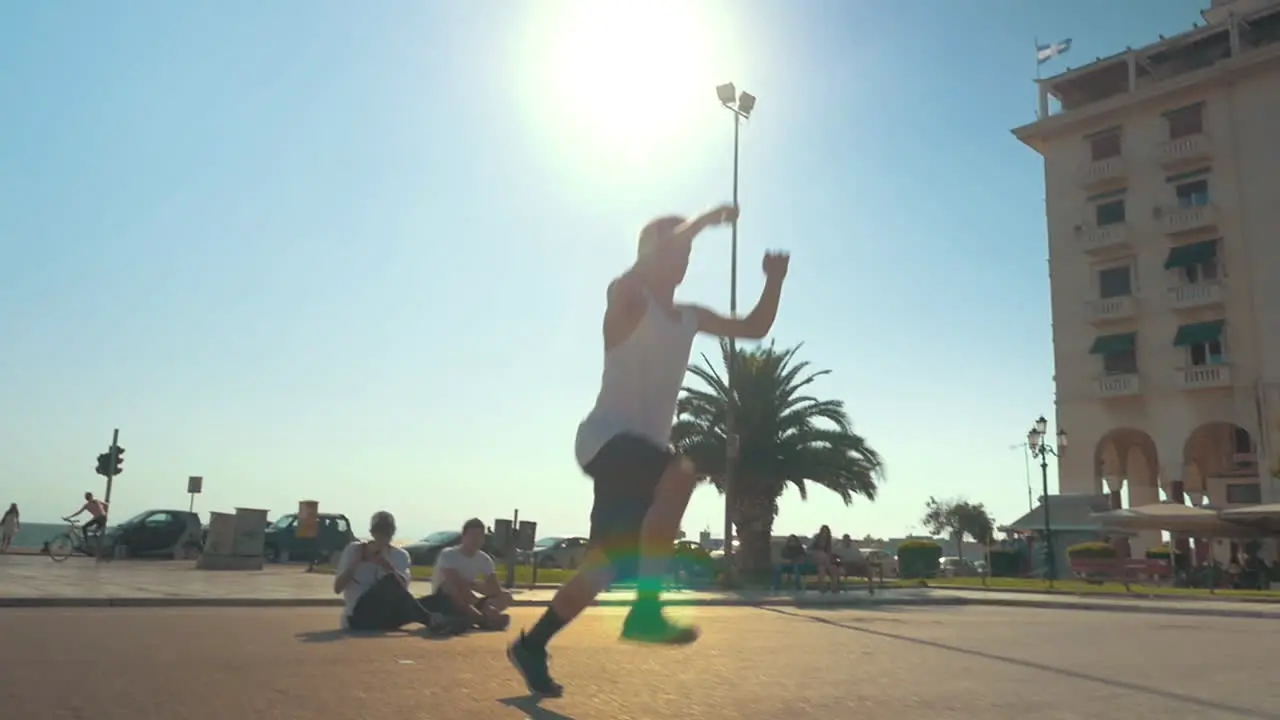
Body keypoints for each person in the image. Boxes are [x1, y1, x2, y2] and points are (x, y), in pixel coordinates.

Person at [507, 204, 790, 697]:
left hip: (637, 458)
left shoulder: (688, 317)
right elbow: (640, 271)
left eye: (688, 255)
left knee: (602, 567)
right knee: (681, 473)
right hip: (606, 441)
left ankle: (532, 645)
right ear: (651, 256)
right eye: (676, 251)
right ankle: (645, 611)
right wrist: (702, 222)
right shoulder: (627, 301)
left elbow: (755, 327)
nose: (683, 261)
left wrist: (775, 279)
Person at [333, 511, 444, 633]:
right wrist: (356, 563)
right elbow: (338, 588)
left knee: (432, 601)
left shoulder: (400, 555)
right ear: (372, 532)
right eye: (379, 532)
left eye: (387, 533)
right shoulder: (354, 550)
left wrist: (387, 567)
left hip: (385, 615)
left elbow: (402, 592)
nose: (383, 537)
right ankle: (431, 620)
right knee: (390, 580)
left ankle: (450, 621)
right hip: (358, 615)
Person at [420, 518, 512, 631]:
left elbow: (494, 589)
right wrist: (473, 594)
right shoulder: (448, 554)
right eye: (472, 536)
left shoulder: (484, 559)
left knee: (506, 596)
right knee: (451, 587)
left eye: (479, 536)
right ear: (463, 537)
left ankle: (480, 616)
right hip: (446, 598)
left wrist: (474, 586)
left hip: (469, 597)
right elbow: (453, 581)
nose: (475, 540)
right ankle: (482, 618)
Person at [810, 525, 838, 592]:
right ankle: (829, 567)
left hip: (824, 561)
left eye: (826, 532)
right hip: (815, 556)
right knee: (823, 555)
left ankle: (832, 587)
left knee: (823, 568)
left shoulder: (829, 541)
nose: (824, 533)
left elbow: (830, 552)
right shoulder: (816, 538)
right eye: (823, 531)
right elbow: (810, 548)